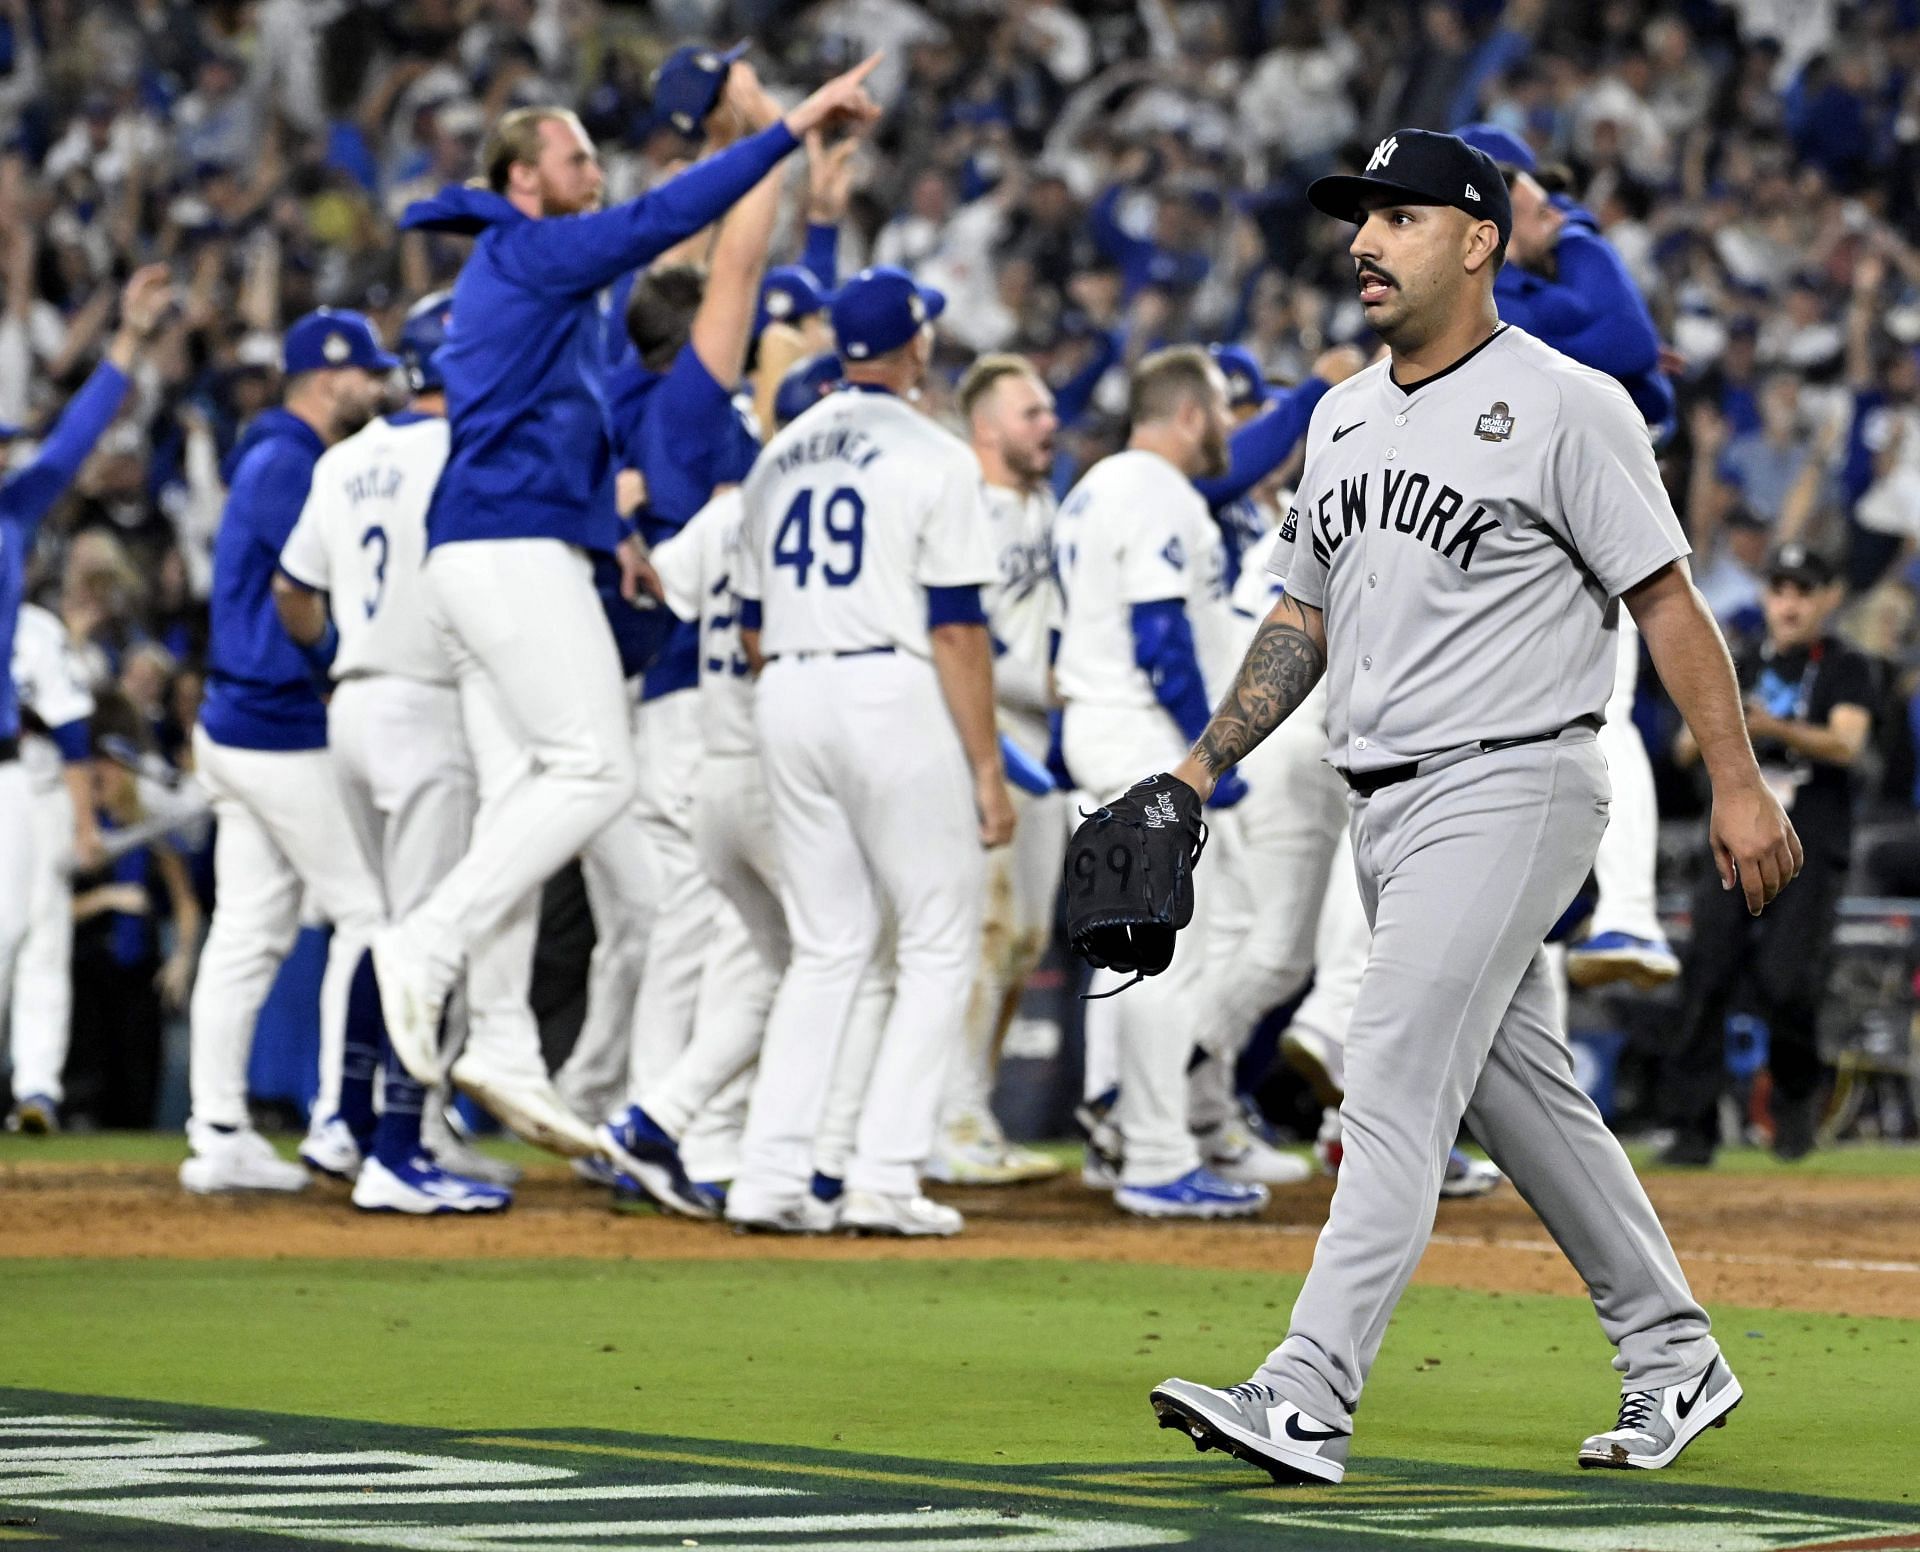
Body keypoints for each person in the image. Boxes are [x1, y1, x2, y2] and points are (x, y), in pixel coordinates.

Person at [1146, 129, 1800, 1483]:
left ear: (1479, 235)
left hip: (1513, 777)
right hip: (1385, 797)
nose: (1363, 243)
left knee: (1389, 1077)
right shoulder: (1342, 416)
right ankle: (1675, 1355)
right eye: (1357, 219)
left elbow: (1666, 599)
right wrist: (1198, 766)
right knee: (1526, 1105)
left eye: (1395, 217)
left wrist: (1735, 781)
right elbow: (1299, 613)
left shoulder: (1568, 401)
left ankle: (1309, 1393)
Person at [377, 61, 883, 1086]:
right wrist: (780, 131)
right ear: (523, 177)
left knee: (541, 800)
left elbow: (673, 255)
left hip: (520, 554)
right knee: (599, 792)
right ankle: (433, 947)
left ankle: (512, 1050)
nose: (593, 169)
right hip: (527, 567)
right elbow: (681, 237)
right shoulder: (532, 253)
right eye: (574, 156)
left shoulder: (568, 309)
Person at [725, 266, 1014, 1237]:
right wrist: (984, 767)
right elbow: (958, 630)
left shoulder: (780, 452)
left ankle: (768, 1174)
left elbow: (753, 621)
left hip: (788, 685)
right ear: (916, 347)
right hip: (888, 681)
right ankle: (883, 1176)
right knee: (936, 937)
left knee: (828, 944)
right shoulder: (935, 454)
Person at [273, 292, 512, 1215]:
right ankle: (400, 1147)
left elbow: (293, 593)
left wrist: (340, 652)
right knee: (422, 936)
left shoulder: (343, 459)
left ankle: (363, 1125)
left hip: (356, 706)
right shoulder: (465, 452)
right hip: (429, 709)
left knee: (380, 929)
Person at [1052, 345, 1270, 1220]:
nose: (1227, 426)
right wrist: (1206, 756)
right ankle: (1152, 1153)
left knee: (1184, 944)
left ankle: (1131, 1128)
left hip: (1116, 732)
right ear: (1189, 412)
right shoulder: (1152, 491)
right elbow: (1159, 635)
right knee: (1168, 961)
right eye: (1220, 408)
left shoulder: (1099, 485)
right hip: (1145, 738)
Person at [186, 307, 397, 1196]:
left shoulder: (278, 455)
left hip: (239, 724)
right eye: (365, 374)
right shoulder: (288, 463)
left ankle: (219, 1128)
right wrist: (332, 660)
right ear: (325, 377)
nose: (378, 386)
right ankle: (340, 1119)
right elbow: (297, 594)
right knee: (370, 915)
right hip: (274, 727)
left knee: (248, 930)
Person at [1, 265, 171, 1133]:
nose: (2, 457)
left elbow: (70, 444)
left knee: (22, 938)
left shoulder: (10, 516)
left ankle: (36, 1089)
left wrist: (131, 341)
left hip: (11, 768)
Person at [1659, 544, 1873, 1167]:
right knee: (1706, 974)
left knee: (1790, 982)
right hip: (1733, 842)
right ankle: (1691, 1130)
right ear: (1764, 596)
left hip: (1809, 846)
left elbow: (1846, 743)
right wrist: (1722, 730)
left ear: (1828, 598)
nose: (1789, 603)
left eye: (1804, 590)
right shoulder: (1736, 662)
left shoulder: (1846, 665)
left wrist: (1772, 730)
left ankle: (1795, 1107)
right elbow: (1680, 750)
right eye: (1780, 589)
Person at [927, 352, 1068, 1187]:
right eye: (1030, 412)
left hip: (1044, 739)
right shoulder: (967, 504)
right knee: (982, 930)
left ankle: (971, 1109)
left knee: (1021, 940)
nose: (1048, 423)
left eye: (1048, 410)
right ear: (986, 428)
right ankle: (946, 1117)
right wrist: (1054, 683)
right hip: (983, 730)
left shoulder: (1045, 504)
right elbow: (966, 630)